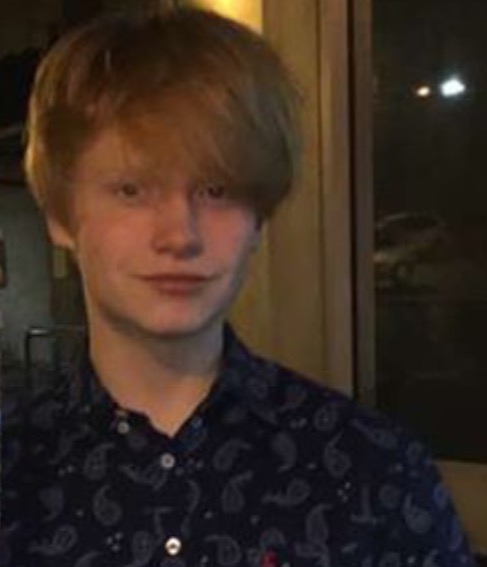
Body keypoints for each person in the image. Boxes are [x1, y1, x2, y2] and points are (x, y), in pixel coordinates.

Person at [1, 7, 476, 567]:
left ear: (260, 218)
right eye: (132, 190)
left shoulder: (378, 474)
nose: (180, 235)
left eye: (216, 190)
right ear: (60, 216)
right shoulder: (14, 472)